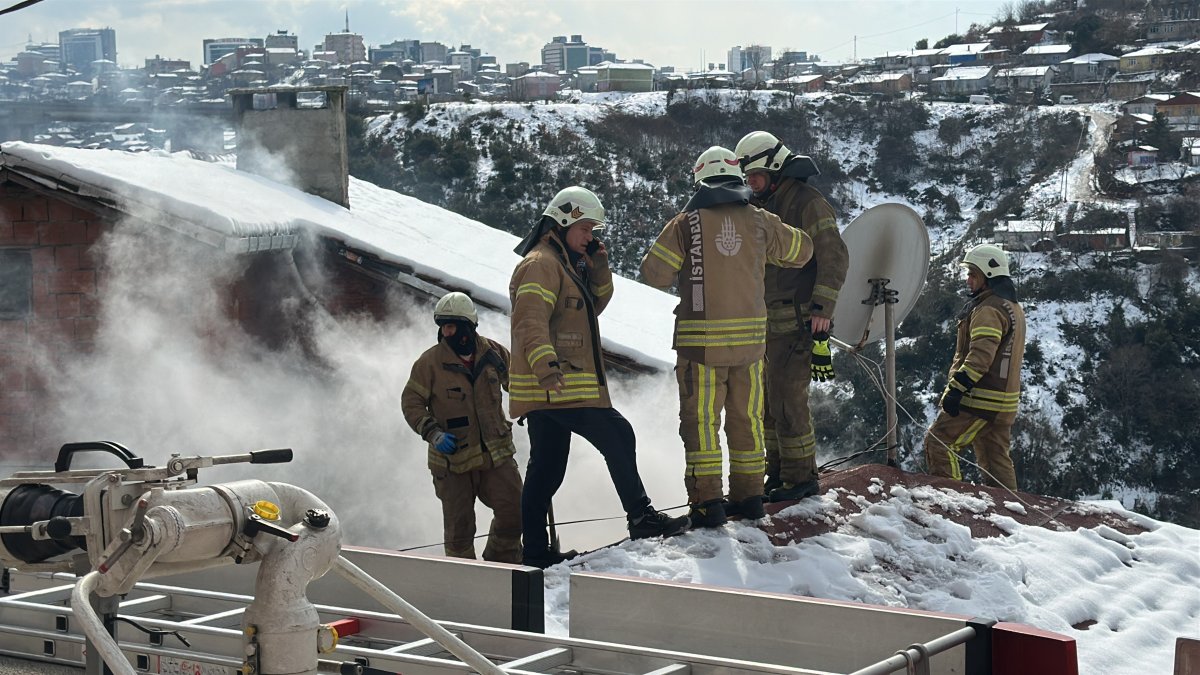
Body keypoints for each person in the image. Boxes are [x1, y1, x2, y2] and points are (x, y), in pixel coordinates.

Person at [510, 186, 690, 568]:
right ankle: (641, 517)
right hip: (558, 384)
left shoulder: (565, 263)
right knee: (618, 434)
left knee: (546, 469)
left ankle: (535, 553)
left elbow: (594, 307)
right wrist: (545, 365)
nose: (589, 236)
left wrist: (599, 267)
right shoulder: (541, 263)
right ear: (563, 222)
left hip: (556, 386)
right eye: (585, 229)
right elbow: (529, 320)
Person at [640, 147, 813, 527]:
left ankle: (707, 503)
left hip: (700, 349)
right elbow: (802, 251)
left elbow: (654, 274)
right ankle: (749, 497)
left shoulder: (686, 223)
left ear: (701, 180)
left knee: (701, 424)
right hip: (750, 348)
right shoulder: (761, 220)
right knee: (746, 420)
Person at [733, 131, 849, 502]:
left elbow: (834, 255)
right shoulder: (763, 206)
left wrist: (823, 309)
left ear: (775, 168)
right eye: (747, 179)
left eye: (755, 176)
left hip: (798, 324)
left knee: (788, 402)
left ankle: (801, 478)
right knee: (769, 405)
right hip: (768, 325)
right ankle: (778, 474)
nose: (751, 184)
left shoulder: (807, 203)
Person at [400, 292, 523, 563]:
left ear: (468, 326)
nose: (446, 333)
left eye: (451, 326)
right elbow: (411, 402)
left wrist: (532, 407)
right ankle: (465, 577)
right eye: (443, 327)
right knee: (460, 531)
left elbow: (518, 383)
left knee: (515, 511)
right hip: (452, 462)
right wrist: (432, 432)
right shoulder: (429, 363)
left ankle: (502, 565)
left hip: (496, 455)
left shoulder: (494, 354)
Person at [924, 244, 1025, 491]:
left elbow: (980, 356)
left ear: (988, 275)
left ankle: (950, 499)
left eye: (972, 274)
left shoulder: (988, 309)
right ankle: (1010, 509)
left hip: (980, 400)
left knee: (939, 442)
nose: (968, 280)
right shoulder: (1012, 307)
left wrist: (957, 389)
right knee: (995, 458)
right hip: (1004, 402)